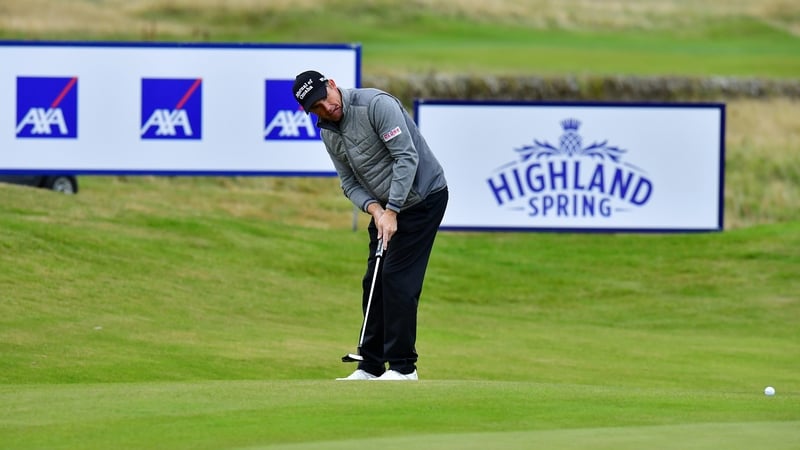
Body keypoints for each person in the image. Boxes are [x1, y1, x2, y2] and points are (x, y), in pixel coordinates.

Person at [292, 70, 448, 381]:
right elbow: (348, 182)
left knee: (396, 279)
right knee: (373, 281)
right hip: (385, 209)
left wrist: (392, 209)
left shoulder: (376, 105)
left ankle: (404, 367)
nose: (325, 109)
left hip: (423, 199)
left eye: (325, 99)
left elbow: (406, 157)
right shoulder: (328, 132)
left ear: (332, 85)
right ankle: (371, 365)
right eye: (316, 108)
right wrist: (376, 210)